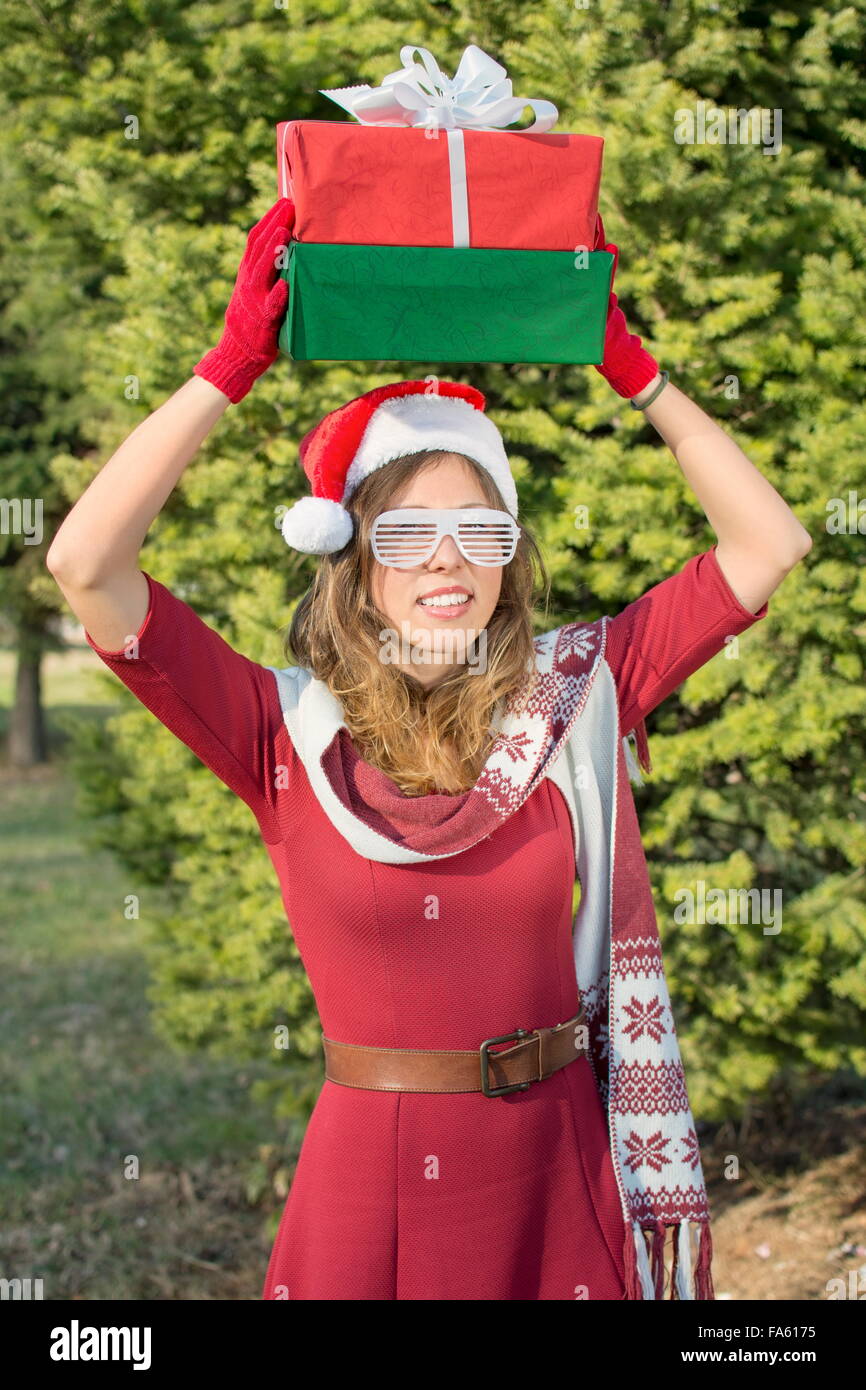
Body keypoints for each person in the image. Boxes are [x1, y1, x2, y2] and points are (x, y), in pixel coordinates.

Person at [46, 198, 812, 1301]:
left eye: (481, 531)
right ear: (352, 561)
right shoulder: (281, 730)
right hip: (370, 1187)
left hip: (562, 1168)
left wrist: (630, 369)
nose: (447, 562)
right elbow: (86, 565)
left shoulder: (572, 694)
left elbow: (767, 542)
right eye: (405, 534)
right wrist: (227, 368)